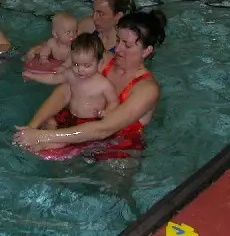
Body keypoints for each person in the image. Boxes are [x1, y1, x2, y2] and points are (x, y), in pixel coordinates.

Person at [14, 10, 167, 161]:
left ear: (146, 51)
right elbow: (64, 92)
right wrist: (31, 128)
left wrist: (43, 137)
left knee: (114, 177)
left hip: (116, 146)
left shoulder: (147, 89)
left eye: (126, 45)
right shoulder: (103, 61)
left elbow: (105, 128)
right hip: (77, 126)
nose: (118, 48)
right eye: (118, 40)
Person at [26, 34, 118, 150]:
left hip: (88, 122)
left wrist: (107, 112)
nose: (80, 69)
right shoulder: (71, 74)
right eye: (75, 64)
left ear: (100, 64)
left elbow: (114, 101)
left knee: (66, 140)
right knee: (49, 118)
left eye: (87, 65)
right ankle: (49, 130)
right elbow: (53, 78)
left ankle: (45, 144)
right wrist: (34, 76)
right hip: (70, 115)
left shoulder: (104, 85)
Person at [26, 0, 135, 63]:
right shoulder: (90, 25)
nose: (94, 18)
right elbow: (62, 37)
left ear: (118, 16)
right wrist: (40, 47)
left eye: (101, 13)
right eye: (94, 11)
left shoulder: (125, 45)